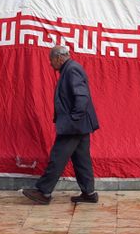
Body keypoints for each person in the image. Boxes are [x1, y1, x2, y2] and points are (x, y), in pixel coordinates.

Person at [22, 45, 100, 205]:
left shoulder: (72, 70)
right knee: (81, 159)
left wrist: (73, 119)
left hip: (75, 125)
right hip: (80, 124)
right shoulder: (70, 69)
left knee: (58, 156)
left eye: (51, 60)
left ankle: (44, 192)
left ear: (59, 58)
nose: (50, 64)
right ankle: (89, 193)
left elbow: (82, 97)